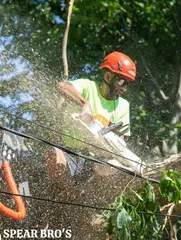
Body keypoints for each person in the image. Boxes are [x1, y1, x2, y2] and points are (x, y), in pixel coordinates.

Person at [45, 51, 137, 189]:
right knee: (53, 155)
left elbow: (121, 143)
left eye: (127, 84)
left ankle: (90, 200)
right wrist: (84, 103)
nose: (124, 88)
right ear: (107, 76)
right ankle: (68, 198)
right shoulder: (88, 87)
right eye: (122, 82)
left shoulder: (123, 106)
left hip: (96, 159)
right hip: (68, 152)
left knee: (115, 167)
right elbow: (62, 86)